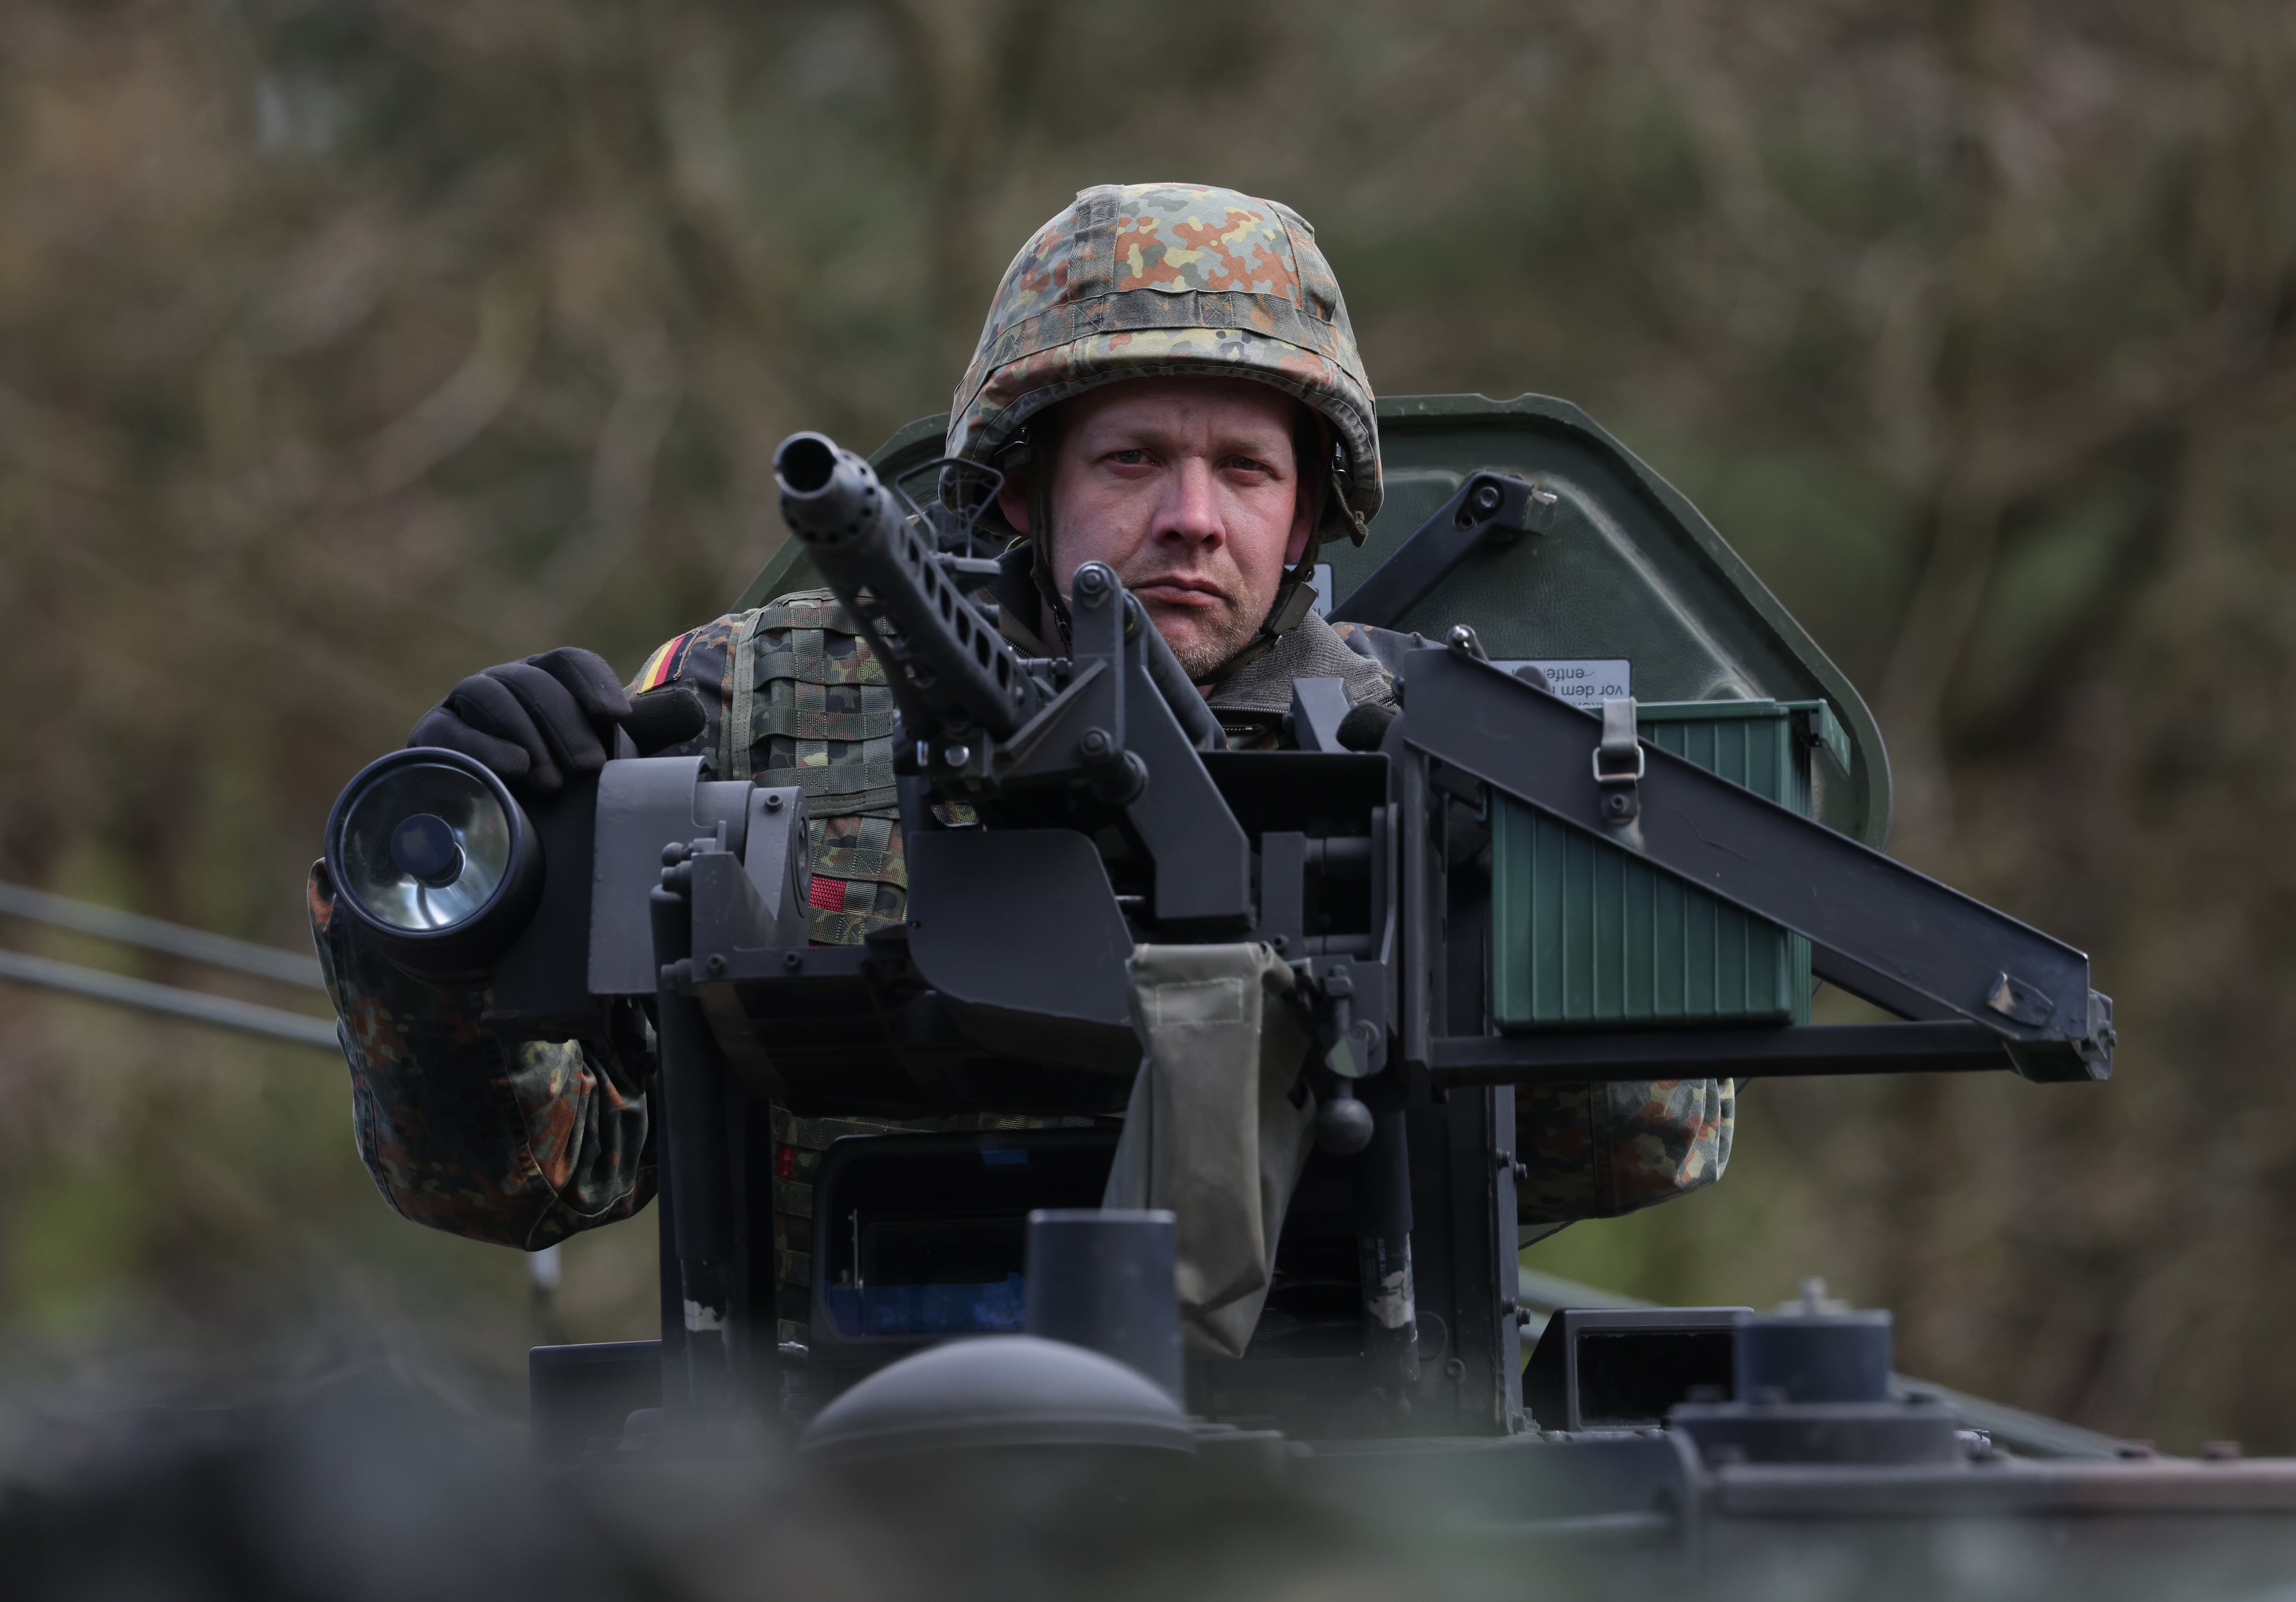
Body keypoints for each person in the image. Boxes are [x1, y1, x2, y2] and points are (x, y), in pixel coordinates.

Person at [308, 183, 1735, 1347]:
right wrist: (443, 914)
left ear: (1307, 519)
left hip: (1342, 1459)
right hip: (838, 1471)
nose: (1190, 519)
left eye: (1244, 468)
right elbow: (514, 1175)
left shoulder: (1438, 739)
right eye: (1130, 461)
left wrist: (1468, 914)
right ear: (1016, 489)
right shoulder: (757, 708)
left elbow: (1651, 1141)